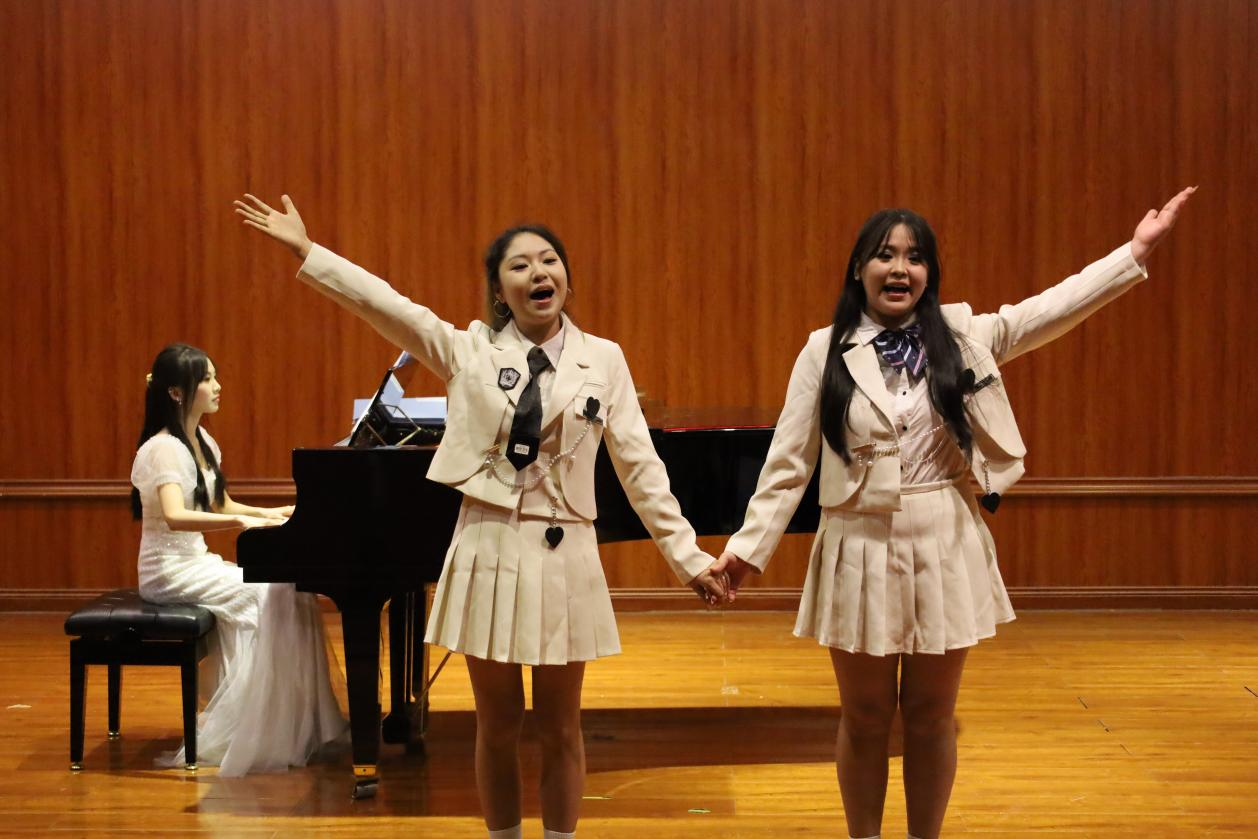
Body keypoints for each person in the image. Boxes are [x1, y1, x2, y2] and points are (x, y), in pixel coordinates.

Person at [235, 194, 728, 839]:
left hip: (566, 553)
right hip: (487, 547)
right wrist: (308, 250)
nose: (538, 273)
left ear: (567, 279)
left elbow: (642, 468)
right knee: (497, 725)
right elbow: (388, 306)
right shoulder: (468, 351)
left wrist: (688, 557)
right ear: (500, 291)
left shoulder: (604, 359)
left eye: (548, 261)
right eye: (519, 266)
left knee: (561, 727)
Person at [711, 187, 1197, 839]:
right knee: (865, 716)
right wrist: (745, 550)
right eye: (885, 255)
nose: (899, 268)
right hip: (857, 542)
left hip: (945, 537)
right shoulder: (823, 350)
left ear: (930, 273)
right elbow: (787, 462)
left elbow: (1048, 310)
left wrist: (1132, 253)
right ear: (858, 268)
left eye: (914, 257)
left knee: (932, 715)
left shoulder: (965, 335)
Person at [131, 342, 348, 775]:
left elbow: (221, 503)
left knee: (293, 589)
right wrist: (240, 523)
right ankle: (257, 726)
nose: (217, 386)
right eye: (207, 379)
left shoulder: (201, 441)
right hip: (167, 570)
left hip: (196, 561)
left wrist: (274, 513)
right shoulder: (162, 449)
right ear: (177, 392)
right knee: (269, 595)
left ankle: (299, 723)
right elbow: (175, 516)